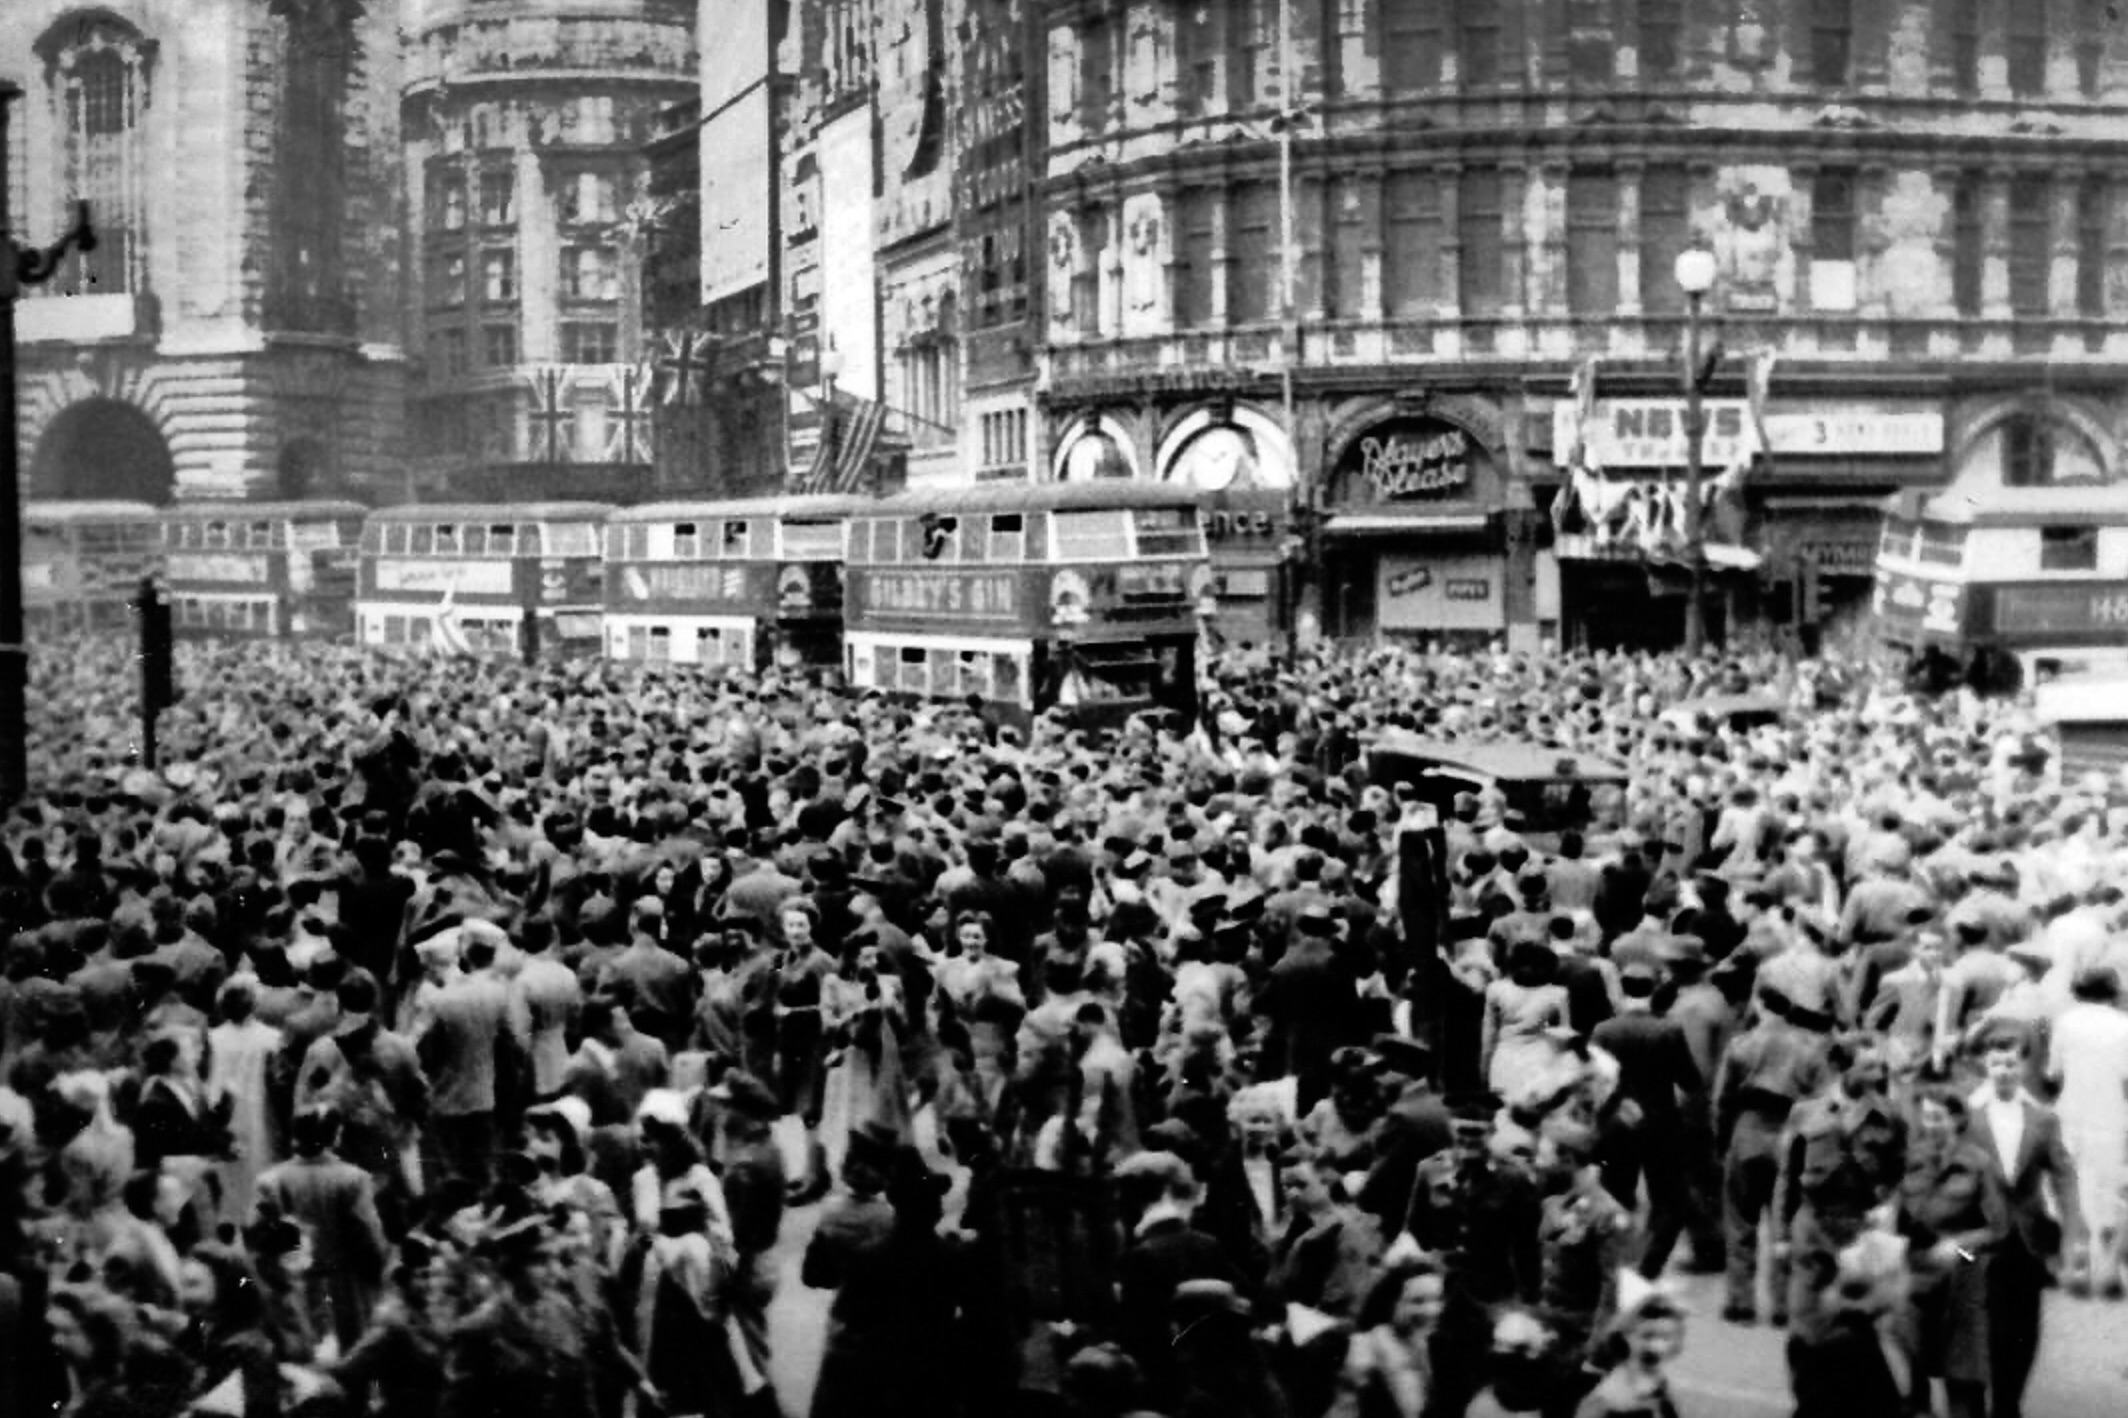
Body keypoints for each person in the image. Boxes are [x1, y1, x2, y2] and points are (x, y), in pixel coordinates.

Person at [1968, 1025, 2082, 1418]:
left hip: (2027, 1239)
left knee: (2023, 1327)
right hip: (1974, 1240)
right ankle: (1974, 1401)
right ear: (1985, 1066)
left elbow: (2064, 1174)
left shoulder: (2042, 1119)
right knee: (1977, 1320)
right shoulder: (1968, 1117)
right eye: (1996, 1063)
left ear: (2023, 1067)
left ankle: (2008, 1401)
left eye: (2011, 1063)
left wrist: (2071, 1230)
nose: (2004, 1071)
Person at [2044, 966, 2128, 1297]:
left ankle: (2077, 1264)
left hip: (2071, 1113)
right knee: (2107, 1192)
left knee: (2072, 1188)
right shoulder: (2123, 1025)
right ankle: (2107, 1269)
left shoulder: (2066, 1023)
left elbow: (2053, 1071)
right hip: (2110, 1115)